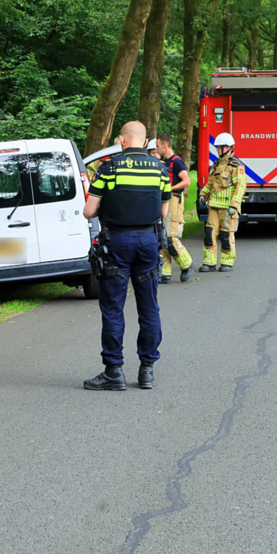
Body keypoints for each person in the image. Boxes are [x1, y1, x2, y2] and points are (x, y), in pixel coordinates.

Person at [83, 121, 171, 391]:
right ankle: (147, 371)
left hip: (117, 243)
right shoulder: (161, 169)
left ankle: (114, 372)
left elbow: (89, 211)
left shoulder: (108, 168)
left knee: (113, 308)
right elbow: (164, 212)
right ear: (145, 143)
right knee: (149, 307)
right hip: (147, 242)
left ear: (122, 139)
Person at [199, 132, 246, 272]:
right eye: (217, 148)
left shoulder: (236, 166)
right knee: (209, 233)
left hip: (228, 208)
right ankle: (209, 262)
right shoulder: (216, 165)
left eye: (219, 148)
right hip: (214, 206)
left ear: (228, 148)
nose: (217, 150)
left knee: (226, 235)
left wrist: (234, 205)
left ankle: (227, 262)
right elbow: (210, 183)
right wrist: (203, 194)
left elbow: (241, 186)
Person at [155, 133, 193, 283]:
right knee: (162, 236)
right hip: (164, 201)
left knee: (171, 237)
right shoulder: (163, 162)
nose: (156, 149)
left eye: (158, 146)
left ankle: (187, 264)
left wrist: (169, 188)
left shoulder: (177, 162)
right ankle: (165, 273)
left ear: (165, 145)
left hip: (174, 201)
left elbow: (186, 181)